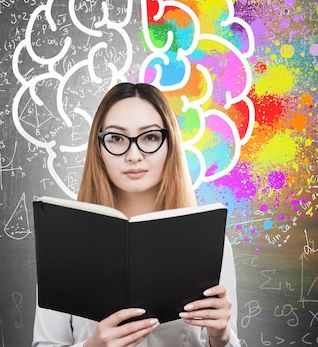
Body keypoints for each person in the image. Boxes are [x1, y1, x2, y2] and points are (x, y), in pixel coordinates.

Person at [33, 82, 240, 347]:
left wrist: (221, 335)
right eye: (117, 138)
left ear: (169, 145)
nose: (133, 155)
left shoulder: (211, 244)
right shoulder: (62, 242)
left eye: (150, 137)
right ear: (99, 148)